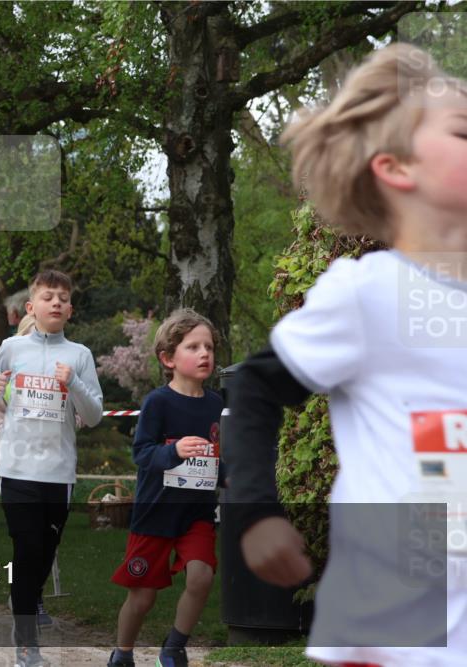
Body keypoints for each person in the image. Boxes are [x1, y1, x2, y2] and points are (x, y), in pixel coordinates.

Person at [224, 44, 467, 667]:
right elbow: (254, 387)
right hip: (392, 632)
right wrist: (256, 514)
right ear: (397, 169)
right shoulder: (371, 292)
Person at [0, 270, 103, 667]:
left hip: (58, 473)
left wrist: (74, 386)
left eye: (62, 298)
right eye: (47, 297)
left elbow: (95, 414)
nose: (55, 303)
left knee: (43, 553)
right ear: (31, 307)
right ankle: (26, 644)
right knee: (27, 549)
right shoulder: (12, 347)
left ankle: (27, 606)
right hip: (16, 468)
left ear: (69, 309)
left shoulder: (79, 356)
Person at [108, 309, 222, 667]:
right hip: (155, 514)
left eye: (209, 346)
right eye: (193, 347)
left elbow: (220, 455)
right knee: (142, 598)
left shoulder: (217, 404)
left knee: (201, 575)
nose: (205, 353)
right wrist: (173, 451)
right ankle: (122, 653)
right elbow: (141, 453)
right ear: (168, 358)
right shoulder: (157, 402)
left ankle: (174, 647)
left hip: (197, 514)